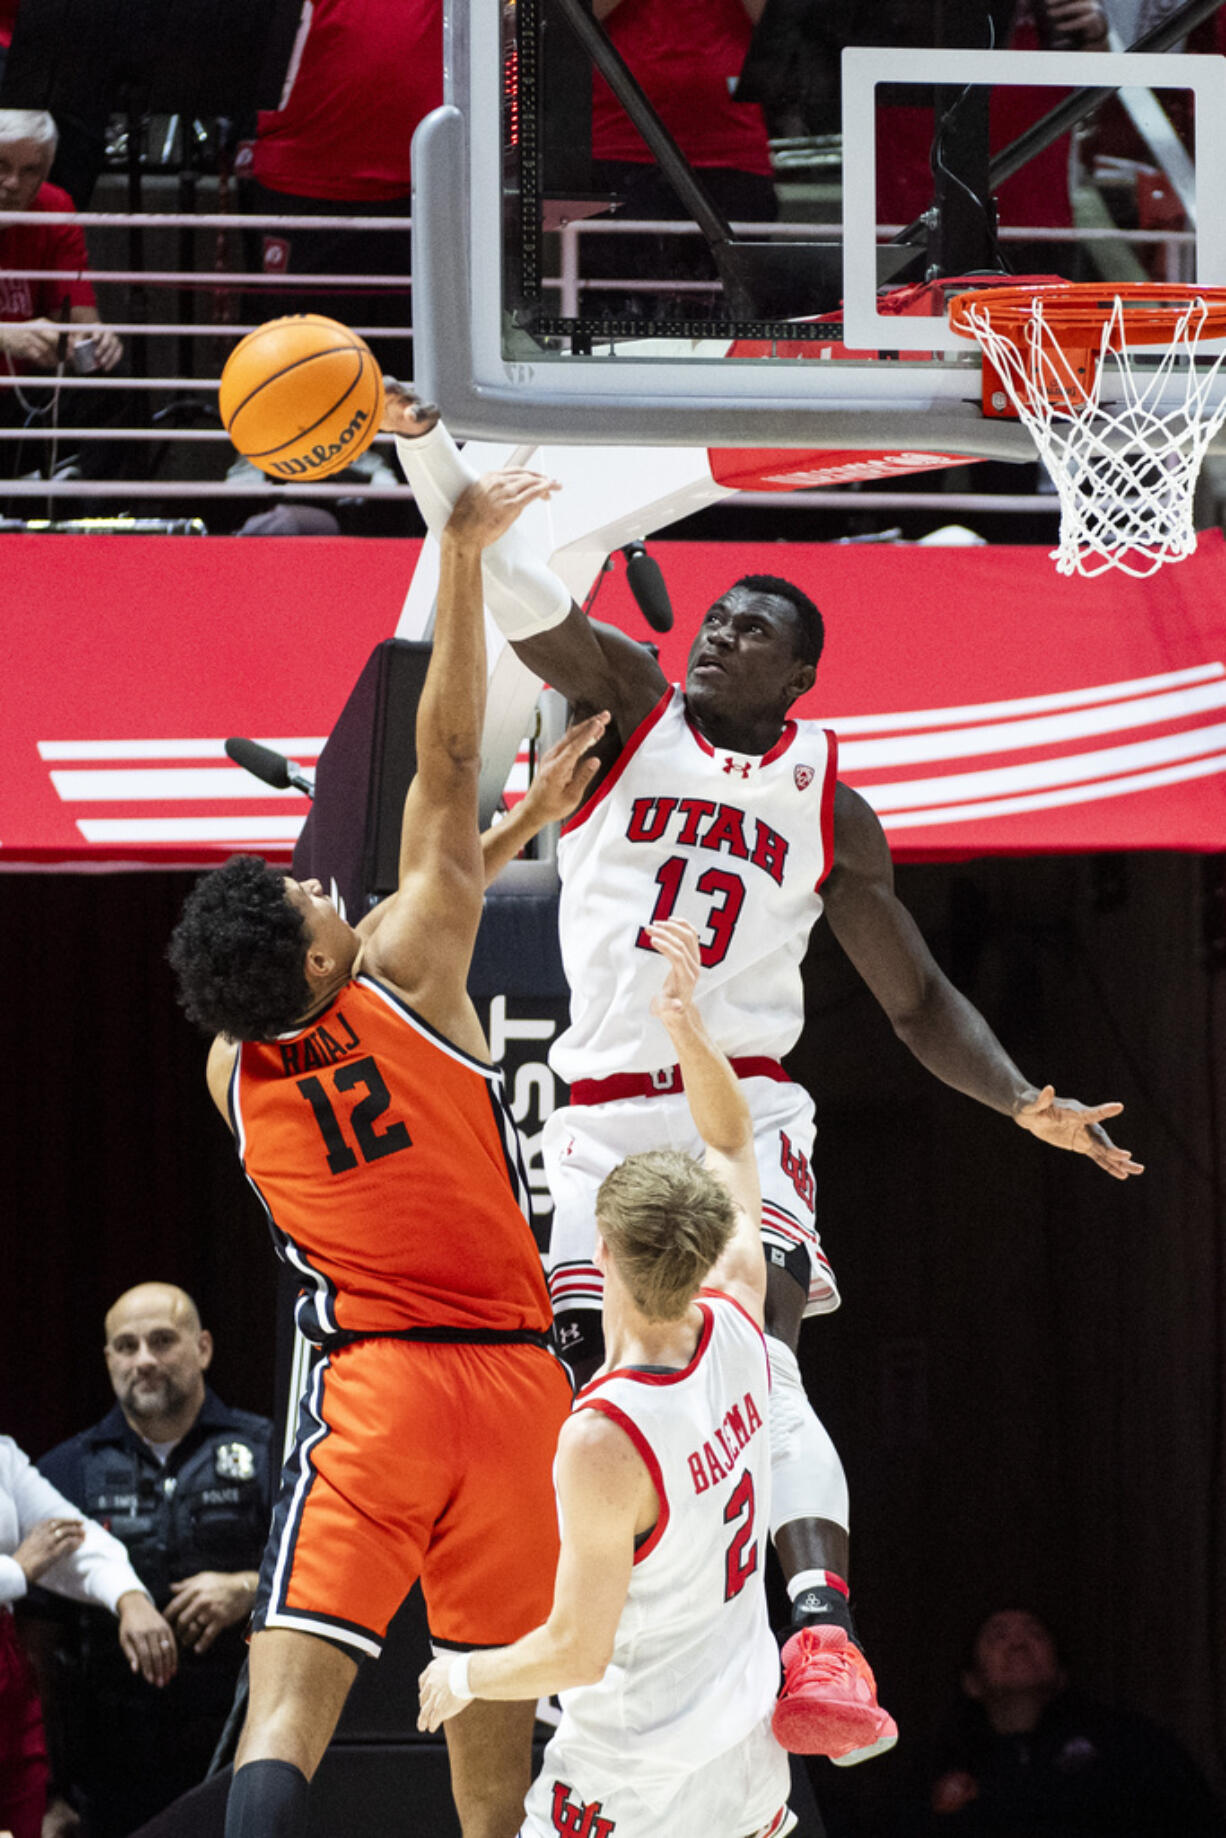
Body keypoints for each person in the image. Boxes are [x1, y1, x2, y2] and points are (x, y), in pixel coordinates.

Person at [389, 395, 1143, 1765]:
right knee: (592, 1382)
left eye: (752, 629)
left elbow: (912, 997)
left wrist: (1022, 1097)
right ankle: (613, 1620)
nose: (721, 631)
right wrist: (432, 455)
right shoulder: (622, 699)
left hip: (738, 1100)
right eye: (718, 612)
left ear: (795, 680)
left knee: (762, 1365)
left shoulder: (829, 804)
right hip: (600, 1110)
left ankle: (818, 1634)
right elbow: (512, 584)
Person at [166, 457, 606, 1838]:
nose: (316, 881)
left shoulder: (232, 1064)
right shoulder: (410, 966)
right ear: (316, 951)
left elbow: (433, 867)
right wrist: (463, 553)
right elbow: (445, 759)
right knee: (489, 1749)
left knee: (288, 1707)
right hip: (514, 1391)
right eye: (306, 894)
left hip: (376, 1395)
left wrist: (510, 834)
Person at [419, 916, 799, 1838]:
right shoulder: (743, 1316)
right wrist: (687, 1028)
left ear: (601, 1257)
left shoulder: (602, 1436)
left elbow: (576, 1654)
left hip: (634, 1774)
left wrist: (462, 1674)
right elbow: (733, 1140)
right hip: (745, 1751)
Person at [29, 1284, 274, 1838]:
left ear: (203, 1348)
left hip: (238, 1759)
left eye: (162, 1341)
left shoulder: (267, 1452)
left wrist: (249, 1587)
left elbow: (325, 1579)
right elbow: (35, 1649)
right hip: (106, 1779)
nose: (144, 1360)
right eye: (126, 1345)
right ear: (108, 1358)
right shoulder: (65, 1473)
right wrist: (51, 1793)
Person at [905, 1606, 1225, 1835]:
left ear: (1061, 1674)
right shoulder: (939, 1765)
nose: (1018, 1644)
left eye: (1035, 1634)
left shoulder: (1128, 1746)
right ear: (971, 1681)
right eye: (998, 1636)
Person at [1, 1432, 173, 1838]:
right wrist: (17, 1571)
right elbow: (32, 1558)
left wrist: (129, 1598)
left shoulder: (2, 1452)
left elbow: (66, 1533)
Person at [0, 110, 121, 376]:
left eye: (30, 171)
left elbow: (79, 320)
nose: (12, 183)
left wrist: (93, 341)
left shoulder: (53, 206)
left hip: (24, 390)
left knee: (104, 379)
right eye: (1, 165)